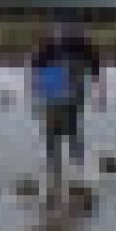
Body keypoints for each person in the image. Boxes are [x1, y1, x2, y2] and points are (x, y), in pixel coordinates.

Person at [29, 21, 106, 171]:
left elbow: (36, 68)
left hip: (60, 90)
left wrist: (36, 90)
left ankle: (60, 166)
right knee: (68, 128)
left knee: (60, 129)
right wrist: (100, 93)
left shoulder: (57, 45)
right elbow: (95, 71)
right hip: (63, 89)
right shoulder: (81, 46)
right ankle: (71, 165)